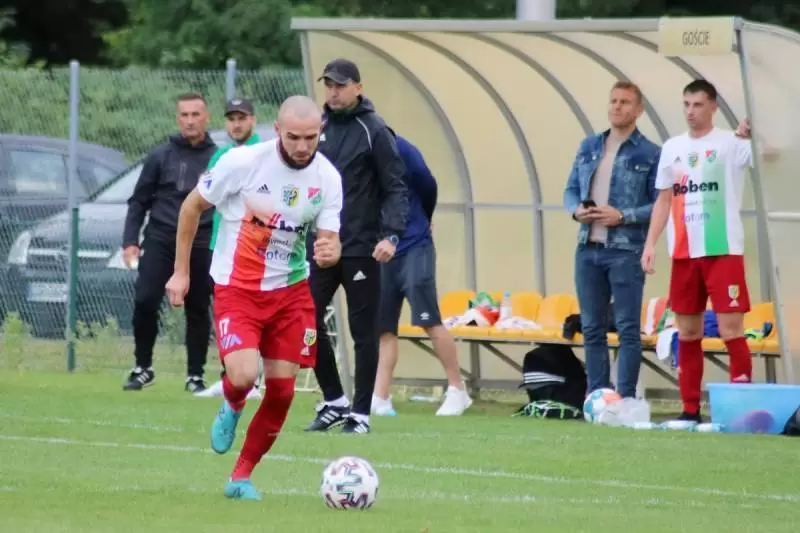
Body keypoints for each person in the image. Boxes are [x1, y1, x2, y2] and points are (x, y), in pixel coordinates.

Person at [165, 95, 343, 501]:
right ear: (277, 130)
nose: (302, 146)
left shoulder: (328, 178)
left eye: (311, 137)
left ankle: (241, 477)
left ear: (321, 133)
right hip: (238, 289)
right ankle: (232, 402)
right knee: (244, 376)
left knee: (282, 392)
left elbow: (330, 239)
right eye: (294, 137)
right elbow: (191, 208)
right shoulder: (242, 163)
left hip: (291, 294)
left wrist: (331, 250)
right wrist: (181, 272)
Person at [304, 58, 408, 435]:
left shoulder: (374, 130)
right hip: (322, 245)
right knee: (304, 319)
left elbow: (395, 187)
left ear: (358, 88)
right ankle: (334, 400)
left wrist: (391, 234)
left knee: (363, 331)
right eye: (329, 85)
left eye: (341, 85)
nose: (333, 92)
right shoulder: (317, 127)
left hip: (362, 246)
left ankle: (361, 413)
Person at [642, 79, 753, 422]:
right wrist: (650, 244)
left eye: (698, 104)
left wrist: (753, 133)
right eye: (686, 104)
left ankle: (741, 412)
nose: (691, 111)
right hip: (684, 254)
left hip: (723, 250)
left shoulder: (731, 143)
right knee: (688, 333)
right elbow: (664, 200)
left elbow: (773, 154)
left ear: (713, 107)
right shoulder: (672, 147)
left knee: (731, 331)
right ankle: (690, 410)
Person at [563, 81, 661, 400]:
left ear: (638, 110)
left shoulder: (650, 153)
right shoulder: (589, 146)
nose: (617, 106)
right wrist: (576, 210)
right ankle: (597, 397)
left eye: (625, 102)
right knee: (592, 328)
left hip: (625, 252)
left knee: (627, 328)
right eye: (614, 101)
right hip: (587, 248)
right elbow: (570, 190)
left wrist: (622, 215)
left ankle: (626, 398)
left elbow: (660, 204)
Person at [122, 92, 217, 393]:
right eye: (184, 115)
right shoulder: (160, 155)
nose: (190, 121)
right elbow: (139, 200)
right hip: (161, 238)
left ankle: (195, 375)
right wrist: (130, 241)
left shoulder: (219, 158)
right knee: (145, 299)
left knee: (198, 306)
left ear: (206, 118)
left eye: (195, 115)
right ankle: (143, 367)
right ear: (177, 119)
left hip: (201, 240)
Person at [371, 132, 472, 417]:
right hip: (381, 250)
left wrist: (424, 219)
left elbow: (428, 184)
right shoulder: (352, 149)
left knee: (429, 319)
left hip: (415, 245)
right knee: (384, 327)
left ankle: (458, 389)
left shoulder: (401, 147)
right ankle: (380, 397)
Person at [196, 97, 263, 400]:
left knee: (254, 314)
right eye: (231, 119)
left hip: (253, 246)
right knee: (226, 313)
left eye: (242, 118)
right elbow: (209, 194)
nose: (236, 124)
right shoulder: (221, 155)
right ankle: (229, 377)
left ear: (253, 120)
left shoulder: (264, 152)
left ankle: (254, 381)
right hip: (221, 244)